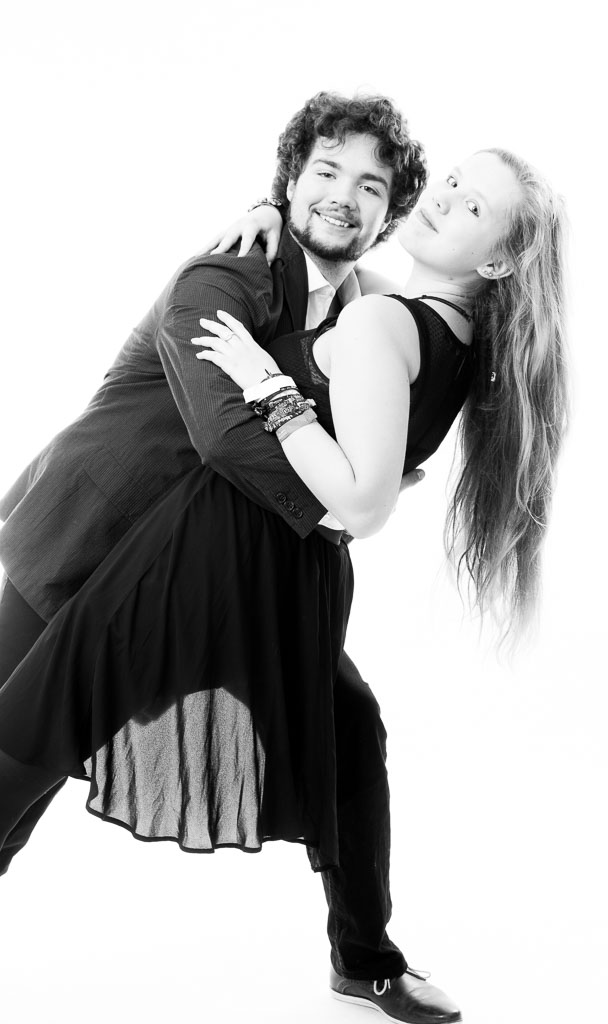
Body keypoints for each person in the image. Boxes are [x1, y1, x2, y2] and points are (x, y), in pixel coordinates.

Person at [0, 92, 568, 1024]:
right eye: (323, 174)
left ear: (390, 211)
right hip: (87, 535)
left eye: (370, 186)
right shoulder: (224, 274)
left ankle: (365, 959)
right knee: (23, 744)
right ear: (288, 183)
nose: (342, 196)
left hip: (234, 561)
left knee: (349, 730)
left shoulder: (366, 301)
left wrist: (358, 475)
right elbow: (226, 438)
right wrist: (349, 492)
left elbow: (397, 377)